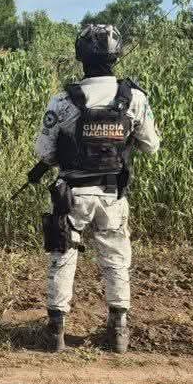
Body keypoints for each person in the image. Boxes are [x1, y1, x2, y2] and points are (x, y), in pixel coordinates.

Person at [31, 23, 160, 353]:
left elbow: (45, 152)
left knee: (63, 257)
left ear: (80, 57)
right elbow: (150, 146)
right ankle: (118, 329)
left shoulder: (62, 101)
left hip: (72, 194)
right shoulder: (134, 98)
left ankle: (56, 331)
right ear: (116, 56)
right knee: (116, 260)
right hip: (112, 195)